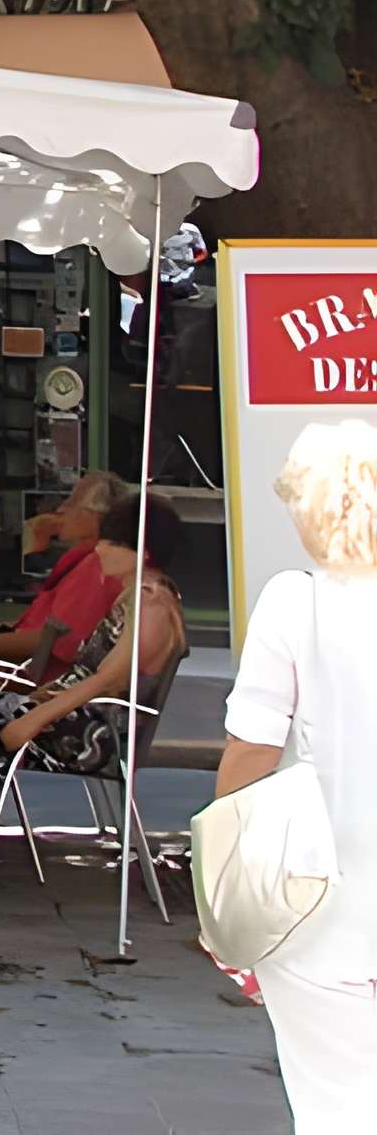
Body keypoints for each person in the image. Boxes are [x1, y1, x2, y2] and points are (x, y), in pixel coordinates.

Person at [217, 419, 377, 1128]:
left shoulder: (294, 601)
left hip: (326, 901)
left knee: (336, 1105)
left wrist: (224, 886)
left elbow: (251, 748)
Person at [0, 498, 187, 866]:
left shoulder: (150, 604)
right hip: (86, 720)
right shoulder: (140, 598)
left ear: (141, 553)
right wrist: (36, 697)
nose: (98, 548)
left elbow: (109, 680)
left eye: (111, 542)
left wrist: (32, 718)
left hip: (95, 734)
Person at [0, 471, 126, 666]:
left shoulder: (97, 565)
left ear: (95, 517)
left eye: (71, 503)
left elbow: (57, 641)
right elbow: (48, 624)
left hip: (27, 683)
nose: (62, 509)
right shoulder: (82, 560)